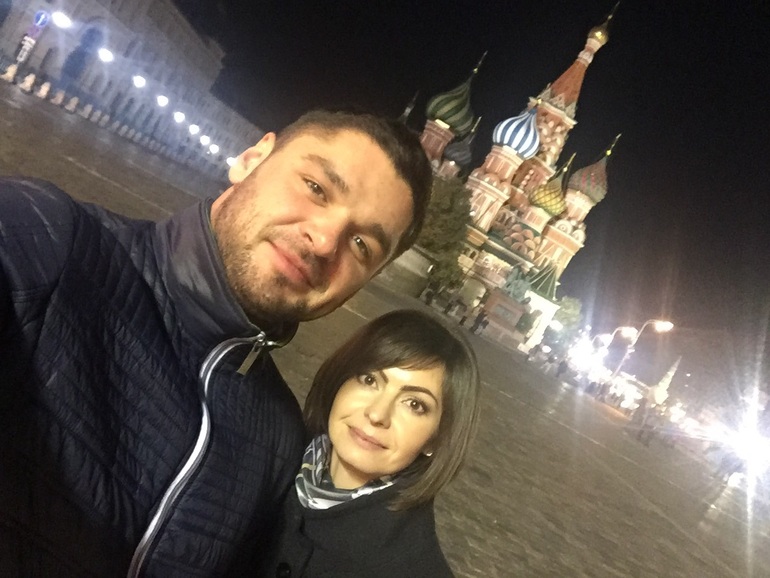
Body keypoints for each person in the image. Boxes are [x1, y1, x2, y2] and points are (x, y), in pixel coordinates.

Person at [0, 110, 432, 577]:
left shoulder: (277, 438)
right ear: (251, 159)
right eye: (316, 188)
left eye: (362, 245)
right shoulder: (49, 241)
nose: (325, 241)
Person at [258, 309, 480, 577]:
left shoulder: (414, 568)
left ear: (436, 438)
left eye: (414, 404)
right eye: (369, 379)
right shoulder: (262, 458)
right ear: (340, 380)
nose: (377, 414)